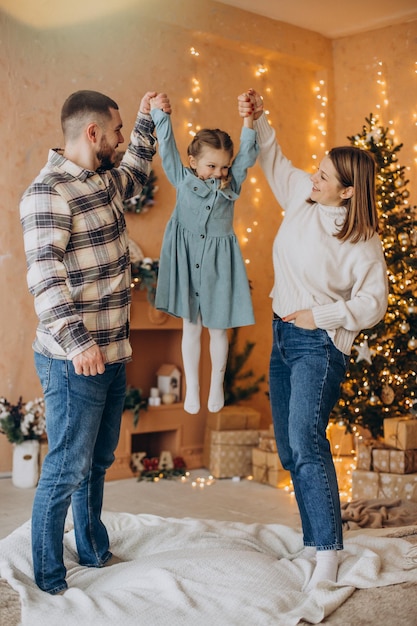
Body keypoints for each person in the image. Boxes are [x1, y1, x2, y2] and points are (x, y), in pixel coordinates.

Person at [20, 89, 171, 595]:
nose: (122, 139)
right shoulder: (48, 193)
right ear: (93, 133)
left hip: (113, 351)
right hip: (74, 358)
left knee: (99, 460)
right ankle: (48, 576)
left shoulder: (103, 180)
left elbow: (135, 168)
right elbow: (44, 278)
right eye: (119, 129)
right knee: (66, 466)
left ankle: (92, 548)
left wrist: (147, 117)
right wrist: (78, 340)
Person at [238, 89, 388, 590]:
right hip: (282, 335)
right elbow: (274, 159)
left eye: (324, 175)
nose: (314, 176)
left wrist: (321, 316)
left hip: (319, 346)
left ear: (347, 191)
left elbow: (374, 303)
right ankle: (311, 540)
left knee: (306, 440)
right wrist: (258, 120)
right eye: (318, 169)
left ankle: (328, 551)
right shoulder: (303, 195)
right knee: (287, 446)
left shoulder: (363, 241)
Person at [150, 99, 258, 414]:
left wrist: (248, 122)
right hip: (186, 258)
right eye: (211, 166)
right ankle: (193, 391)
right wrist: (161, 114)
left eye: (224, 166)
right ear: (193, 160)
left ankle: (216, 386)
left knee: (218, 328)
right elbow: (166, 147)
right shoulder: (182, 179)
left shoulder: (231, 183)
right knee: (191, 326)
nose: (218, 173)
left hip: (218, 264)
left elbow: (248, 156)